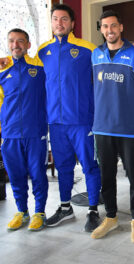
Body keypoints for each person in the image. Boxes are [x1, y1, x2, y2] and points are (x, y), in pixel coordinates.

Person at [36, 4, 101, 231]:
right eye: (55, 19)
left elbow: (105, 70)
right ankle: (65, 207)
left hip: (82, 121)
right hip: (55, 122)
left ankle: (93, 210)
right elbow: (30, 75)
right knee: (63, 167)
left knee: (89, 166)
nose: (59, 23)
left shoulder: (87, 49)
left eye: (64, 19)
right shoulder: (43, 51)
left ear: (72, 23)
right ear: (52, 22)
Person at [89, 10, 134, 244]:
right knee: (107, 176)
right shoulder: (95, 55)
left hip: (130, 128)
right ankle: (112, 217)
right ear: (102, 29)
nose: (109, 31)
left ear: (121, 27)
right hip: (102, 127)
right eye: (105, 27)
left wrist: (129, 103)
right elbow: (93, 89)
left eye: (113, 26)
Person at [0, 28, 48, 231]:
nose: (15, 45)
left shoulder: (39, 66)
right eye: (12, 41)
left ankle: (39, 212)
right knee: (16, 174)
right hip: (9, 134)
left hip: (35, 132)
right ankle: (22, 211)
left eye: (20, 41)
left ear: (28, 45)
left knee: (37, 174)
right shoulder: (2, 71)